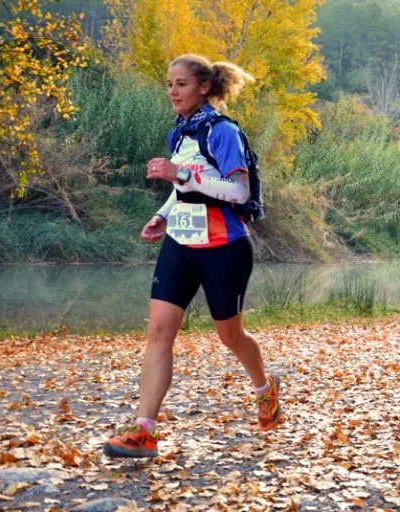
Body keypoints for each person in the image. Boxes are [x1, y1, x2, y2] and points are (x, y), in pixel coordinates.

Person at [103, 54, 280, 458]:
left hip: (224, 247)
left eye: (180, 84)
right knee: (159, 332)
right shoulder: (180, 134)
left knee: (230, 336)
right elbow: (185, 188)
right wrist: (162, 215)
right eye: (168, 84)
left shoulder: (223, 132)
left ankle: (265, 388)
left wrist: (179, 174)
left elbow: (238, 192)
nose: (172, 92)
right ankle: (143, 430)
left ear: (204, 87)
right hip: (181, 243)